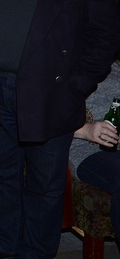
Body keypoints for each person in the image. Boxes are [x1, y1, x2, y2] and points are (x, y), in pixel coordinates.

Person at [0, 0, 120, 259]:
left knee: (45, 185)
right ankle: (3, 246)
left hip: (52, 94)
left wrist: (73, 89)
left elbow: (105, 39)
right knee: (0, 176)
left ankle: (35, 253)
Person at [71, 59, 120, 253]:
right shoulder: (62, 65)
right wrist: (85, 130)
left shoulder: (114, 64)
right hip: (87, 148)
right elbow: (44, 116)